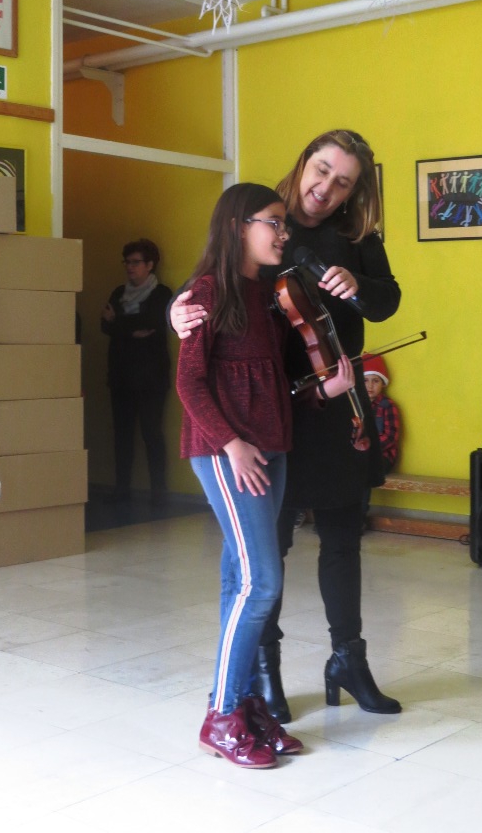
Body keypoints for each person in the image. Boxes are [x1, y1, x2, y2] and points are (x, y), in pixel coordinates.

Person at [171, 129, 402, 723]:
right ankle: (264, 671)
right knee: (271, 545)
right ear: (303, 164)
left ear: (355, 192)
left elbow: (387, 301)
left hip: (335, 394)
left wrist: (360, 286)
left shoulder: (357, 236)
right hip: (273, 407)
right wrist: (177, 309)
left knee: (343, 534)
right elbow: (218, 279)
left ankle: (348, 660)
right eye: (321, 170)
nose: (326, 188)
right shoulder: (266, 221)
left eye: (343, 182)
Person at [177, 182, 355, 769]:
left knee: (241, 580)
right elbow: (189, 383)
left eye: (284, 224)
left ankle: (245, 705)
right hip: (229, 453)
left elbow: (275, 386)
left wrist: (324, 392)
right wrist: (231, 445)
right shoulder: (207, 293)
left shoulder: (266, 297)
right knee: (261, 584)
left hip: (270, 449)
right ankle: (221, 717)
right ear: (238, 227)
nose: (283, 233)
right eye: (272, 223)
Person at [101, 238, 172, 502]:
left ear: (150, 265)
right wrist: (131, 329)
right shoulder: (118, 292)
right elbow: (104, 325)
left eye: (135, 262)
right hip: (121, 376)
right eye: (127, 262)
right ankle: (121, 489)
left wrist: (118, 323)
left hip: (151, 377)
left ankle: (159, 492)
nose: (130, 267)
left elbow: (152, 322)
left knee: (151, 433)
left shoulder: (161, 293)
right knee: (122, 435)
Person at [361, 354, 402, 528]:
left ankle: (359, 518)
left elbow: (391, 436)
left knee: (363, 471)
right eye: (365, 380)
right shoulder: (356, 405)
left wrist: (369, 448)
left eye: (375, 381)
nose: (370, 386)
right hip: (361, 454)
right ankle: (337, 517)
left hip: (382, 457)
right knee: (346, 469)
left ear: (383, 383)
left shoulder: (387, 405)